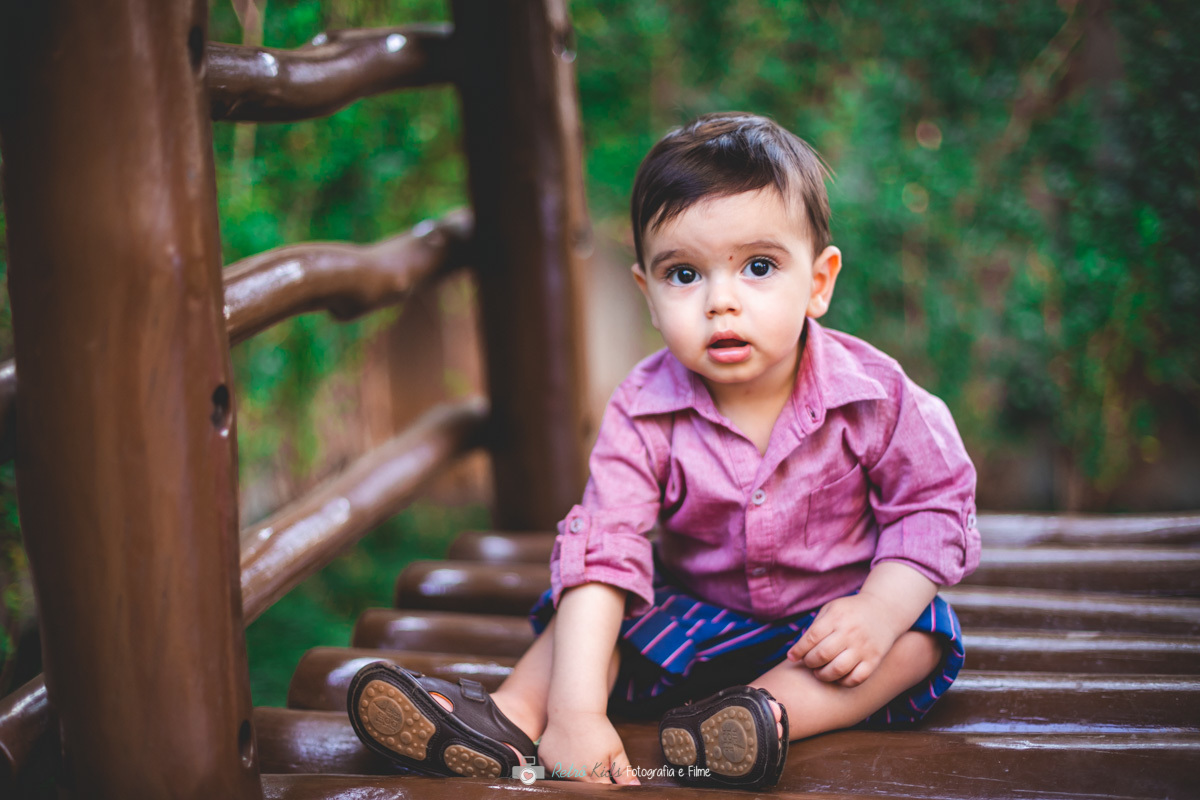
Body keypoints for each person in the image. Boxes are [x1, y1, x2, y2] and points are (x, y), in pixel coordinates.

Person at [346, 112, 980, 790]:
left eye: (759, 267)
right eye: (684, 274)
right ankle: (512, 717)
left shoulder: (875, 395)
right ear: (648, 294)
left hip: (831, 622)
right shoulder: (644, 409)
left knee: (920, 635)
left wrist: (877, 609)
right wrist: (579, 713)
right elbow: (606, 548)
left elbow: (933, 506)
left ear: (819, 282)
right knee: (596, 606)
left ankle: (762, 715)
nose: (720, 302)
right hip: (693, 619)